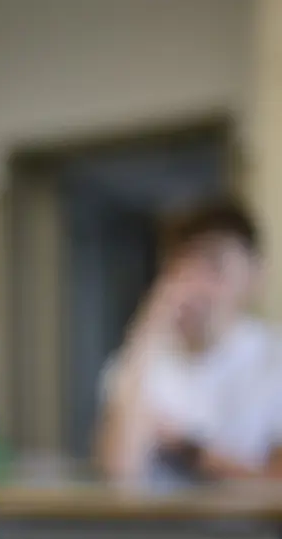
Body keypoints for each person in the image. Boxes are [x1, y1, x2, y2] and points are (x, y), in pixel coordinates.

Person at [96, 201, 282, 484]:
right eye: (181, 265)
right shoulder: (141, 359)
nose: (196, 283)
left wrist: (184, 446)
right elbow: (117, 472)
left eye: (214, 266)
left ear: (254, 275)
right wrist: (149, 326)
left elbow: (274, 482)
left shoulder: (273, 357)